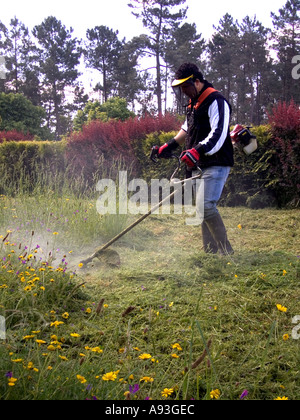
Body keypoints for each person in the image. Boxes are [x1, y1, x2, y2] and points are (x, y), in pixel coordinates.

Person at [156, 62, 234, 255]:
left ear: (197, 82)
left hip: (216, 162)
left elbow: (219, 133)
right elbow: (186, 129)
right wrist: (167, 146)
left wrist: (198, 150)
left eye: (186, 87)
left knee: (205, 206)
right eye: (181, 88)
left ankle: (226, 251)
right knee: (201, 209)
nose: (183, 92)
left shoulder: (217, 100)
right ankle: (210, 252)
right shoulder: (193, 104)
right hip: (199, 164)